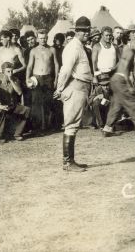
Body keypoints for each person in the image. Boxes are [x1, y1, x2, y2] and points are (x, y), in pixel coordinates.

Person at [54, 16, 94, 172]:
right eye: (82, 30)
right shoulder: (73, 47)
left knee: (74, 125)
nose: (86, 33)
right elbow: (65, 70)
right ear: (76, 31)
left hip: (81, 88)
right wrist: (59, 88)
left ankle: (70, 161)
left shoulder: (80, 46)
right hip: (75, 88)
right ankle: (67, 162)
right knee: (71, 125)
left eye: (87, 30)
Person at [102, 35, 135, 137]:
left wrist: (112, 73)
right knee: (134, 103)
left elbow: (119, 65)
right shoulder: (130, 52)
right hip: (121, 80)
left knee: (116, 105)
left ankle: (107, 129)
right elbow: (125, 69)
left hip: (115, 79)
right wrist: (129, 85)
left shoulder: (127, 48)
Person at [26, 29, 59, 131]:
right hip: (37, 78)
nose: (43, 40)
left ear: (47, 38)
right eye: (40, 38)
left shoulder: (52, 50)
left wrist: (56, 79)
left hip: (48, 78)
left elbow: (56, 65)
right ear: (37, 39)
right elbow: (30, 66)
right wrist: (27, 78)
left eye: (44, 38)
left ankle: (47, 126)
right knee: (36, 103)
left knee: (48, 102)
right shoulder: (33, 51)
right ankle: (37, 127)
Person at [0, 62, 30, 141]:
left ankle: (17, 134)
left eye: (12, 71)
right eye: (8, 71)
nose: (10, 73)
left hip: (12, 105)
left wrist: (11, 80)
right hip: (1, 106)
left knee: (26, 109)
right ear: (3, 71)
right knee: (0, 110)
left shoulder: (15, 79)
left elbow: (19, 92)